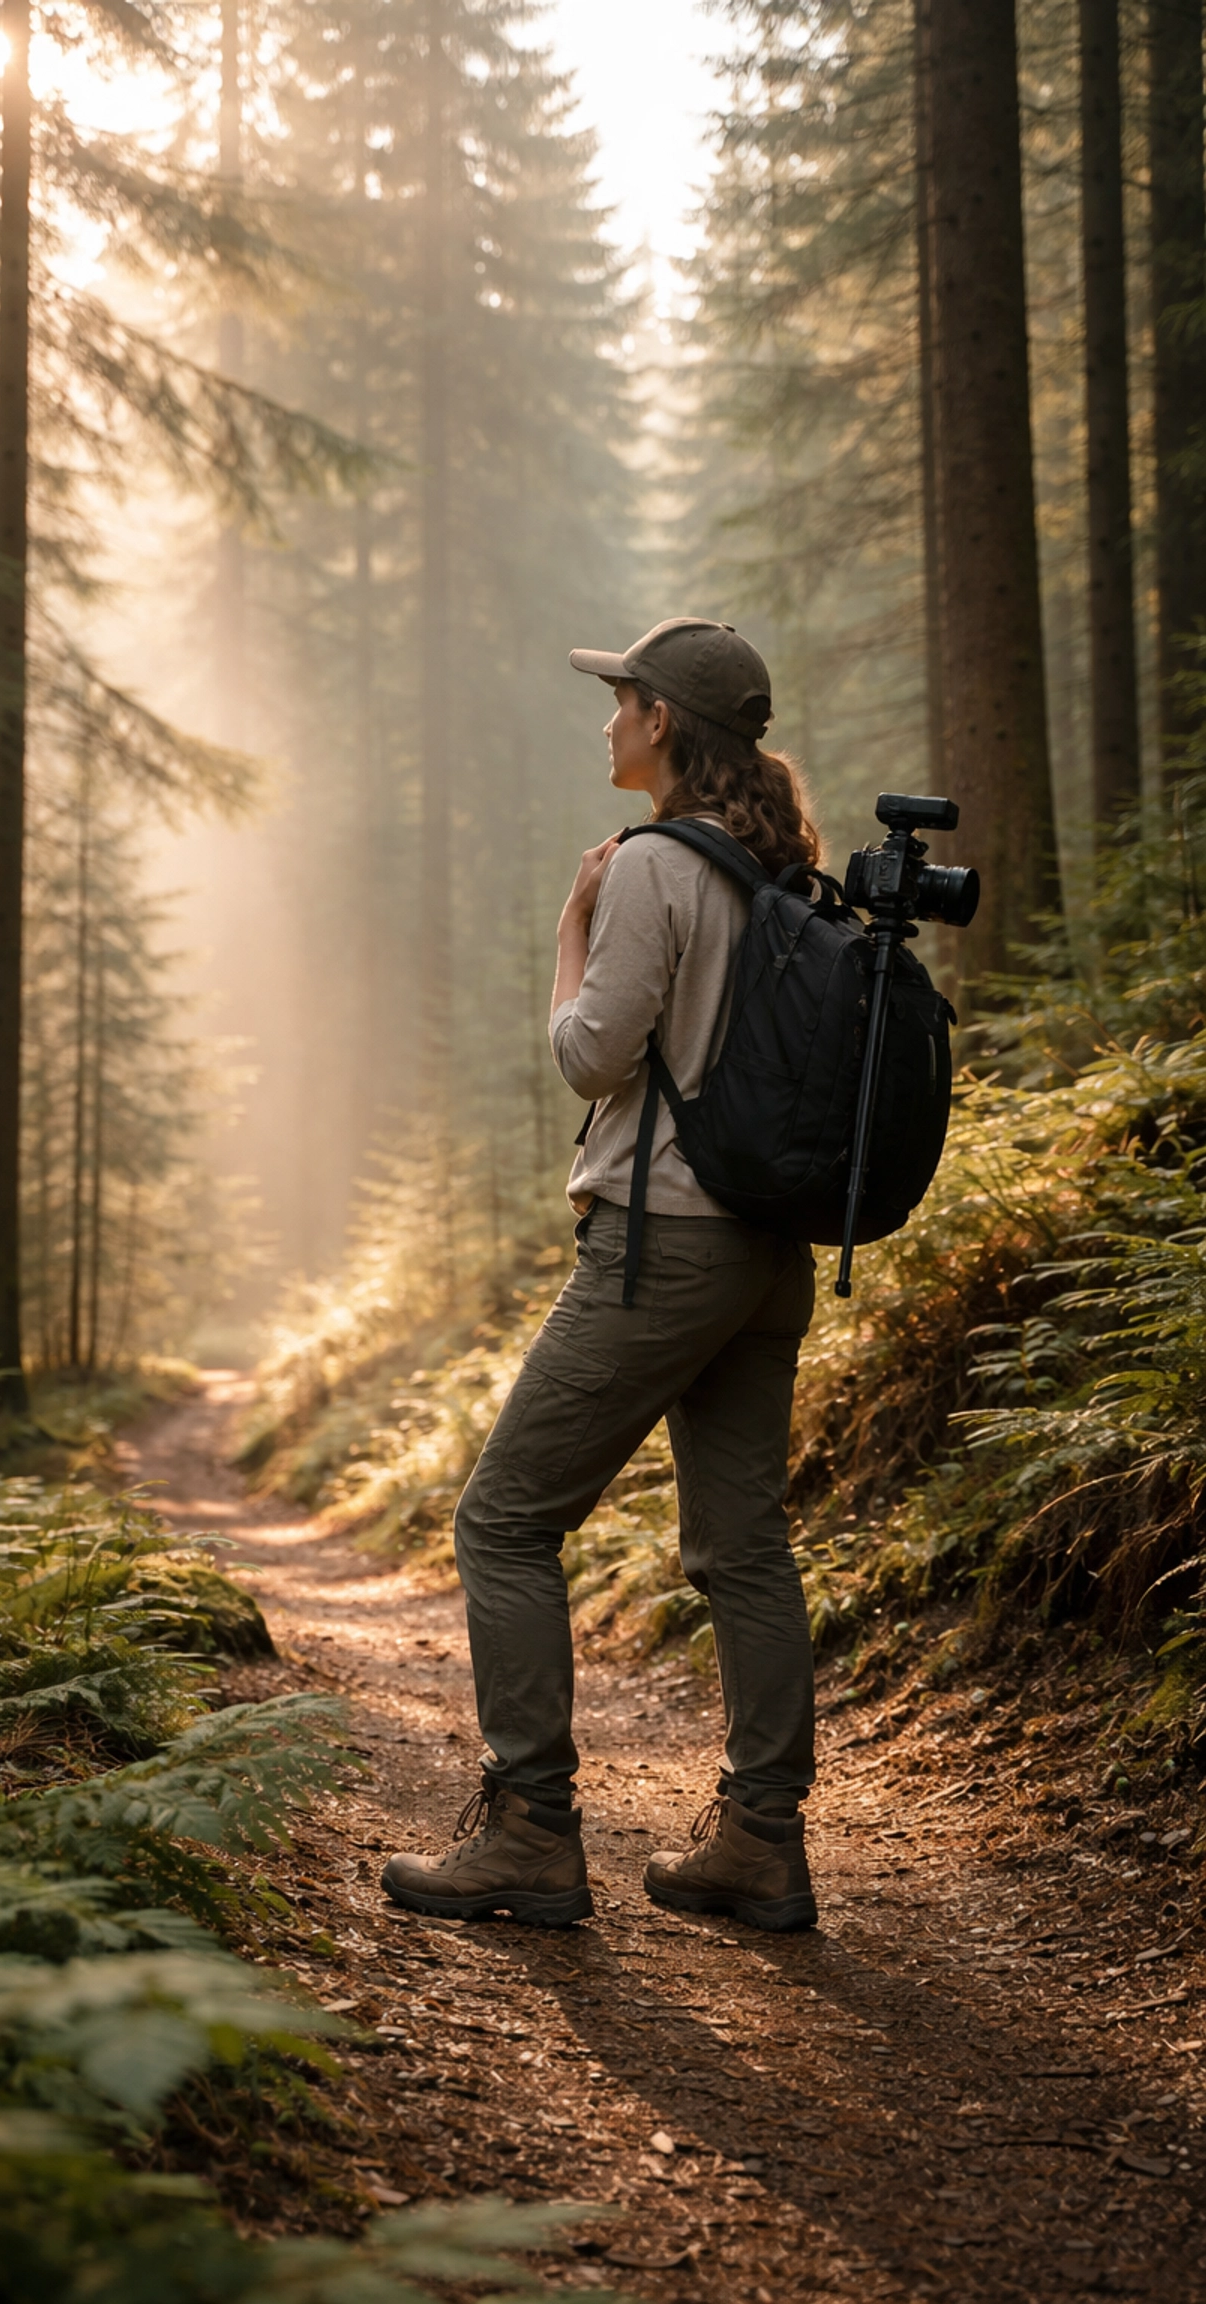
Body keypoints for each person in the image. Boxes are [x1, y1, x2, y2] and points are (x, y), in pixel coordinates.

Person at [381, 618, 822, 1933]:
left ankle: (528, 1828)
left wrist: (574, 920)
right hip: (765, 1250)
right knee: (744, 1543)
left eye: (621, 698)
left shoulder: (650, 870)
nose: (609, 717)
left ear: (665, 725)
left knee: (503, 1521)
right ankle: (760, 1841)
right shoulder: (778, 873)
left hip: (663, 1244)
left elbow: (590, 1056)